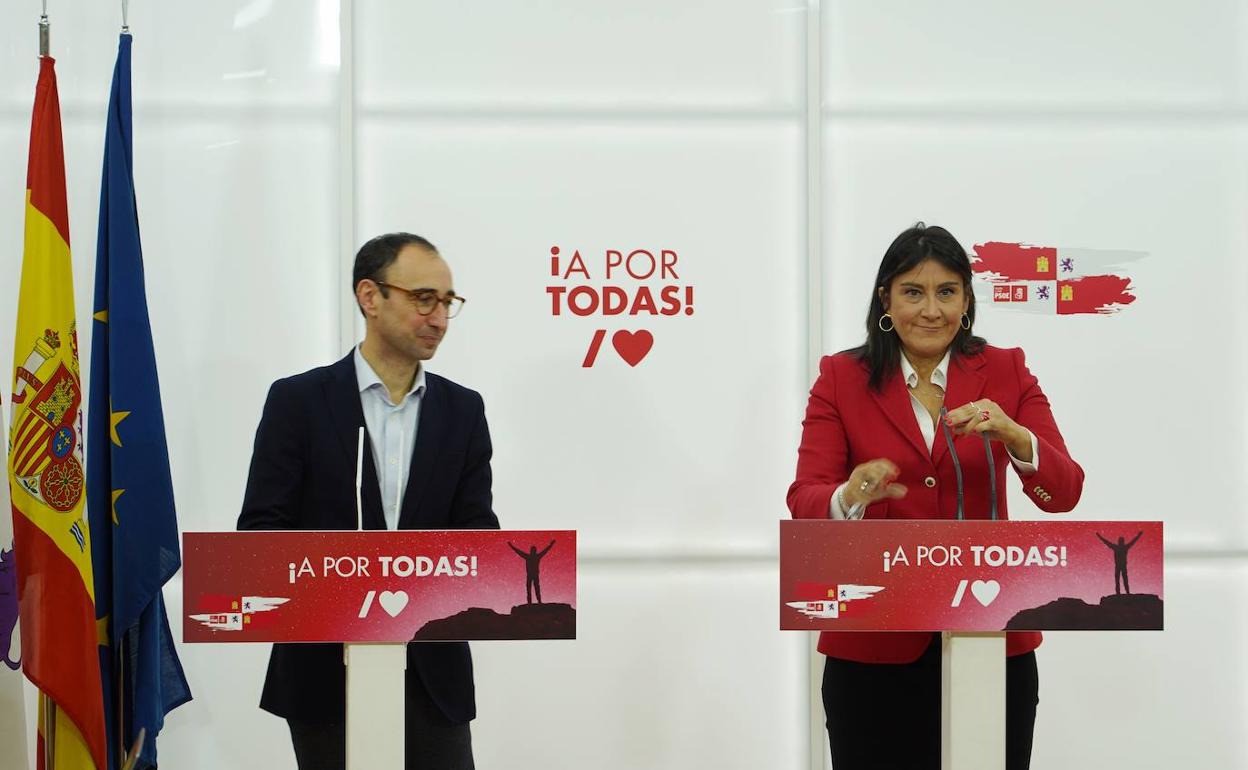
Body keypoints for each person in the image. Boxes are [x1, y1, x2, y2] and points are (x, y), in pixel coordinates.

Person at [786, 223, 1084, 770]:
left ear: (967, 300)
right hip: (871, 652)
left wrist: (1016, 436)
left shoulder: (1007, 369)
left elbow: (1063, 493)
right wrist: (851, 494)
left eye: (947, 292)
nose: (931, 310)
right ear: (886, 299)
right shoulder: (841, 377)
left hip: (991, 642)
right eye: (913, 292)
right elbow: (805, 500)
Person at [238, 232, 498, 770]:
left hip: (434, 677)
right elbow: (261, 536)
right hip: (323, 675)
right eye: (423, 298)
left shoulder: (463, 411)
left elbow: (479, 539)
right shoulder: (298, 402)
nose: (439, 318)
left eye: (447, 302)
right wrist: (348, 579)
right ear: (370, 297)